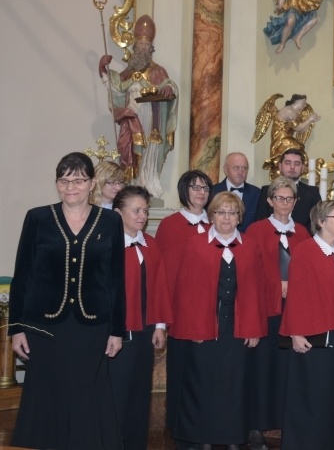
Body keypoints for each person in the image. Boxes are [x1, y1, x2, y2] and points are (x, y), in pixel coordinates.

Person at [10, 152, 125, 449]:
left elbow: (115, 280)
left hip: (92, 326)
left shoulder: (110, 220)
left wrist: (116, 330)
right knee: (47, 393)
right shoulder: (38, 218)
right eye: (64, 180)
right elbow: (22, 275)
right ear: (57, 183)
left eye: (78, 179)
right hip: (45, 327)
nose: (70, 186)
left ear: (91, 183)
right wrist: (16, 328)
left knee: (87, 394)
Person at [169, 191, 266, 450]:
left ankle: (232, 437)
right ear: (212, 215)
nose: (226, 218)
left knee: (234, 386)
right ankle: (204, 439)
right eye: (221, 212)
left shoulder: (250, 245)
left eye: (232, 213)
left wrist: (254, 327)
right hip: (205, 326)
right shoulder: (195, 244)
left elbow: (257, 289)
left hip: (237, 327)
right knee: (203, 384)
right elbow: (185, 290)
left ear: (239, 218)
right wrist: (193, 327)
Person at [280, 200, 334, 450]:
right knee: (311, 395)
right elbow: (296, 295)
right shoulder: (305, 250)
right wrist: (295, 332)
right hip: (312, 336)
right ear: (320, 222)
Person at [246, 177, 311, 448]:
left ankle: (289, 423)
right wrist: (277, 284)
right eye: (280, 198)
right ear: (270, 201)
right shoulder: (256, 231)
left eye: (290, 198)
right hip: (266, 309)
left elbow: (310, 271)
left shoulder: (304, 233)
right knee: (262, 368)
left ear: (296, 202)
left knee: (290, 369)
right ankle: (256, 426)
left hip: (294, 311)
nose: (285, 203)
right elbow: (249, 272)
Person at [109, 185, 172, 450]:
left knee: (139, 395)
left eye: (145, 211)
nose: (142, 216)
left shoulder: (151, 244)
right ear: (117, 213)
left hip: (145, 330)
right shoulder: (107, 246)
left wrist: (159, 326)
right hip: (116, 333)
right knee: (116, 394)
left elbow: (159, 286)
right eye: (135, 210)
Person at [154, 169, 213, 432]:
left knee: (205, 375)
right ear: (184, 191)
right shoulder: (170, 225)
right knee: (182, 373)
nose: (201, 192)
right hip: (181, 311)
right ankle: (179, 428)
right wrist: (162, 319)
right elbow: (163, 274)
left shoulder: (216, 225)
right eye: (195, 187)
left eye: (205, 188)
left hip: (212, 314)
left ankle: (204, 427)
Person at [99, 14, 178, 196]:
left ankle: (146, 183)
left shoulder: (158, 70)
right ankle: (131, 183)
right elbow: (116, 89)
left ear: (151, 49)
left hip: (151, 117)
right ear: (135, 47)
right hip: (131, 116)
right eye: (140, 45)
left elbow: (168, 85)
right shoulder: (128, 71)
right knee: (128, 147)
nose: (143, 48)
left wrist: (167, 88)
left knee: (150, 148)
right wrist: (103, 68)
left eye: (146, 46)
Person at [256, 148, 322, 230]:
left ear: (303, 167)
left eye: (297, 164)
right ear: (280, 166)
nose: (292, 167)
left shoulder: (312, 193)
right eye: (288, 163)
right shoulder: (266, 191)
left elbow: (318, 223)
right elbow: (261, 220)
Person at [210, 152, 260, 232]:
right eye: (236, 168)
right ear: (226, 170)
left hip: (248, 242)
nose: (240, 172)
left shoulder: (257, 194)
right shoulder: (211, 192)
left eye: (244, 168)